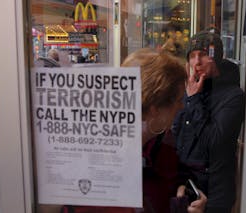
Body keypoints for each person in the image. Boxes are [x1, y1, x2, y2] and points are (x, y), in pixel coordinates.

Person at [58, 49, 207, 213]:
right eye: (178, 100)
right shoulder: (98, 160)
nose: (181, 106)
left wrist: (184, 191)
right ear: (155, 109)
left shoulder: (161, 139)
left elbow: (174, 176)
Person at [172, 29, 246, 213]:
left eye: (204, 55)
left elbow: (213, 143)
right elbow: (176, 135)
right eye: (192, 56)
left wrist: (193, 100)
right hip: (185, 187)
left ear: (216, 57)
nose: (197, 62)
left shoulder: (233, 96)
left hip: (215, 195)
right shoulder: (188, 90)